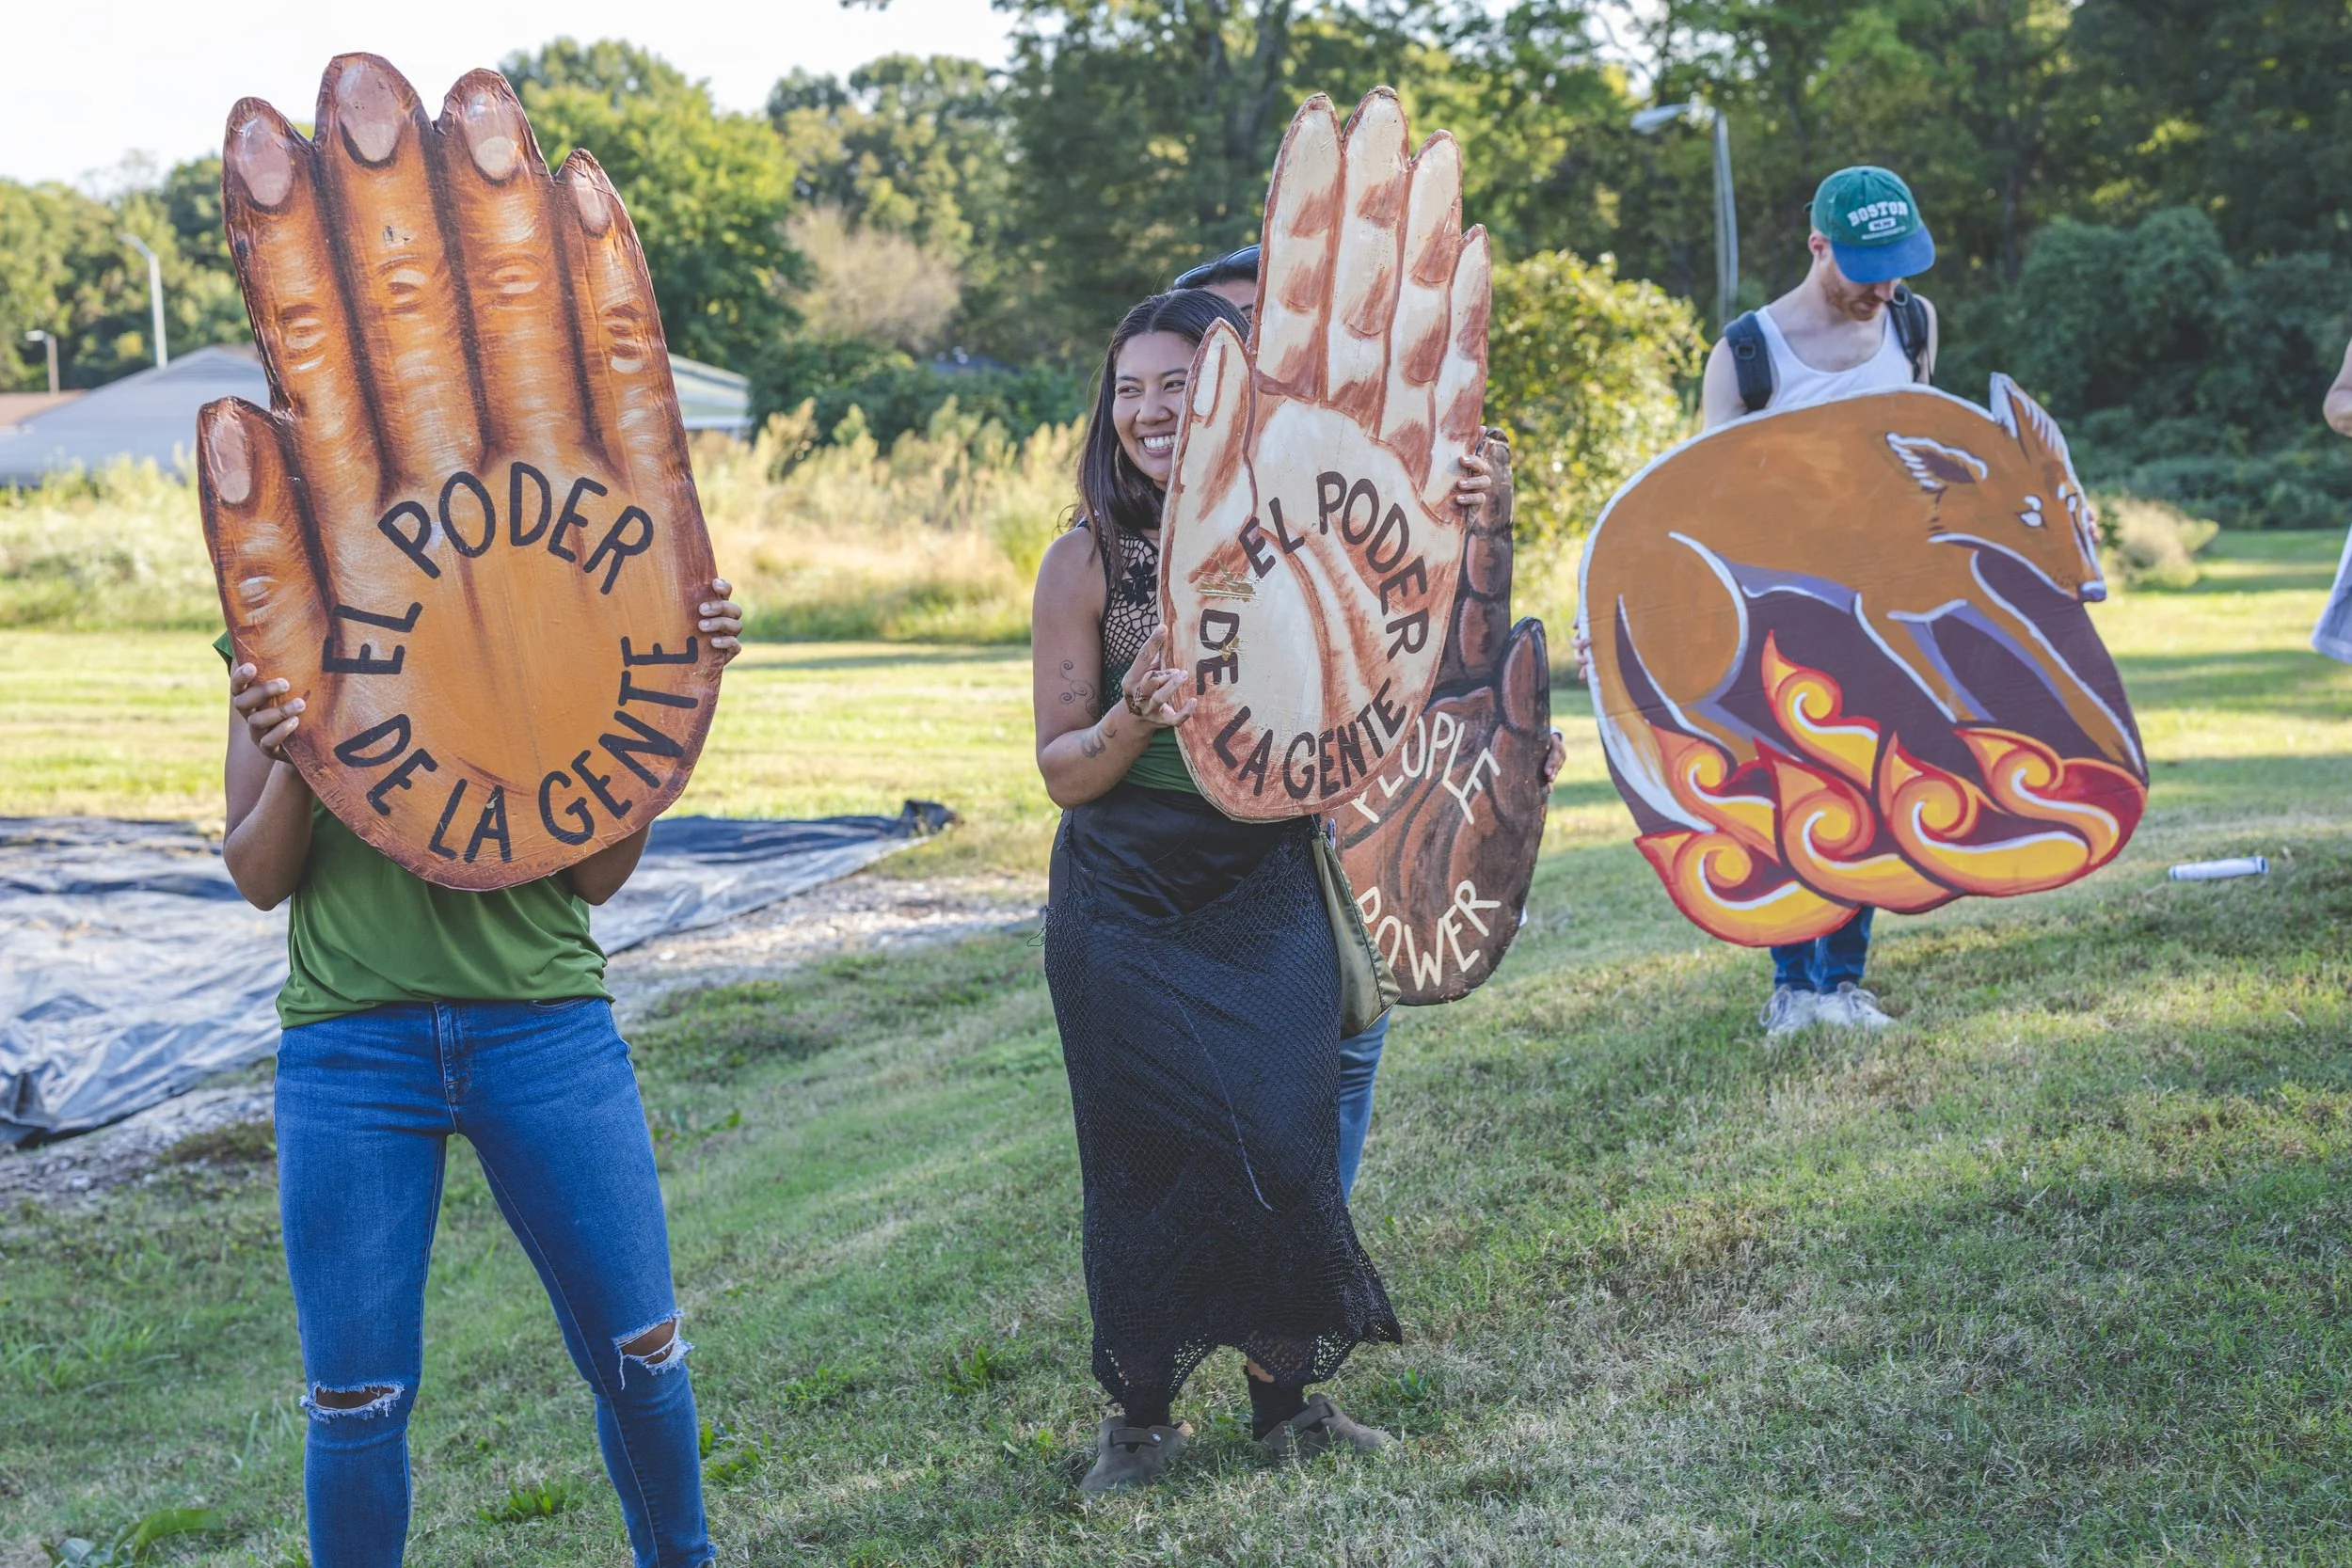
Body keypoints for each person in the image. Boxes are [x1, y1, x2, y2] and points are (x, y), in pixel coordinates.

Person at [1034, 287, 1496, 1492]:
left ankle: (1287, 1404)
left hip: (1265, 886)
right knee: (1140, 1165)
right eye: (1127, 390)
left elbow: (1405, 668)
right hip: (1123, 902)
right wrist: (1134, 715)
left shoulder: (1305, 538)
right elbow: (1060, 771)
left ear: (1233, 399)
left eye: (1178, 388)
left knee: (1285, 1151)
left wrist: (1474, 523)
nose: (1147, 411)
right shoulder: (1086, 560)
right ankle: (1136, 1421)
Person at [220, 578, 741, 1567]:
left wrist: (681, 697)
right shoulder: (283, 608)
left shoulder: (551, 592)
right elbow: (256, 874)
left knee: (641, 1349)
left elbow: (593, 875)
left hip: (544, 1028)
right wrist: (301, 751)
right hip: (351, 1051)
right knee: (354, 1396)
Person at [1171, 245, 1567, 1198]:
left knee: (1344, 1056)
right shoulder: (1146, 521)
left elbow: (1425, 653)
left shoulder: (1389, 494)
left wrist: (1482, 754)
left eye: (1271, 333)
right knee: (1214, 1093)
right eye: (1223, 340)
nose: (1257, 361)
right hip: (1196, 872)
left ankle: (1308, 1269)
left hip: (1339, 865)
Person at [1582, 165, 1938, 1039]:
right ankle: (1793, 986)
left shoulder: (1913, 323)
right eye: (1866, 266)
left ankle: (1843, 984)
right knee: (1788, 794)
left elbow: (1920, 449)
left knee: (1874, 784)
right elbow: (1702, 499)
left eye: (1897, 265)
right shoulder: (1750, 352)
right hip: (1773, 613)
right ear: (1817, 246)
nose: (1884, 286)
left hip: (1884, 604)